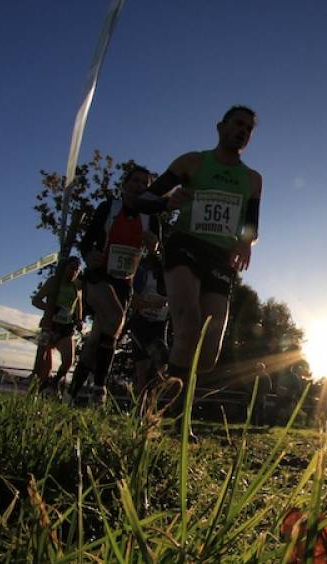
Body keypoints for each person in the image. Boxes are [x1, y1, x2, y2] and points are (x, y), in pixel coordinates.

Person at [130, 105, 262, 431]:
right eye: (237, 124)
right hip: (185, 246)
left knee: (209, 351)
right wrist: (167, 202)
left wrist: (245, 243)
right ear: (221, 127)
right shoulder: (192, 162)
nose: (243, 130)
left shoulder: (253, 180)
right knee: (188, 326)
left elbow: (251, 227)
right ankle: (177, 420)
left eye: (249, 128)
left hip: (220, 259)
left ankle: (165, 365)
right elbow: (141, 200)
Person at [67, 165, 166, 403]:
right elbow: (87, 242)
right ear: (125, 184)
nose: (140, 186)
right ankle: (99, 390)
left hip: (125, 282)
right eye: (136, 181)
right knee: (114, 318)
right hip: (99, 276)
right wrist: (89, 255)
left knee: (97, 339)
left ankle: (70, 396)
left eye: (145, 183)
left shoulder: (151, 218)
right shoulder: (108, 208)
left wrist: (154, 246)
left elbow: (157, 251)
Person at [30, 256, 83, 392]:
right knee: (45, 365)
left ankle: (55, 382)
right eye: (71, 268)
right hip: (50, 326)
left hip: (66, 327)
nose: (73, 272)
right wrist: (51, 308)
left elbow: (79, 305)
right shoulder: (54, 281)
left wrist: (79, 319)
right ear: (64, 268)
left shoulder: (77, 286)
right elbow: (36, 301)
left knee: (68, 362)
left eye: (77, 270)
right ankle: (40, 388)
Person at [127, 253, 169, 396]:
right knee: (142, 371)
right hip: (141, 324)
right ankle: (139, 412)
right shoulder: (144, 274)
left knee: (162, 365)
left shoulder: (176, 278)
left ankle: (151, 408)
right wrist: (151, 304)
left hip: (159, 326)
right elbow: (132, 302)